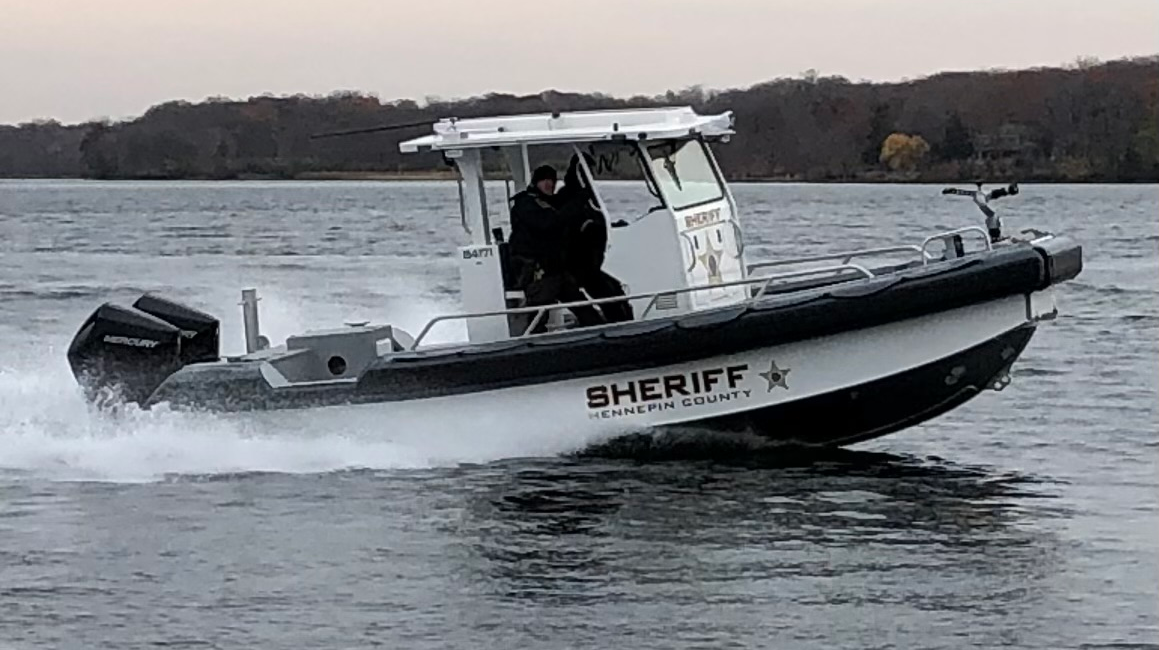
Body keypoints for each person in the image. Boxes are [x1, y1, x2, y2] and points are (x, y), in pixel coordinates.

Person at [508, 165, 604, 329]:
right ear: (536, 182)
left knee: (581, 306)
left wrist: (580, 185)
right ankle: (532, 340)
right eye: (544, 180)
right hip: (535, 271)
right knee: (541, 309)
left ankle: (598, 328)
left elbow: (565, 198)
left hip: (554, 269)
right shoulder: (526, 204)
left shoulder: (550, 202)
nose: (549, 184)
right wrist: (576, 203)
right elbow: (548, 223)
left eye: (552, 180)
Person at [554, 154, 634, 323]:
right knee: (603, 289)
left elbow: (596, 218)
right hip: (575, 262)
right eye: (586, 170)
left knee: (614, 287)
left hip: (590, 260)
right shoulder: (570, 196)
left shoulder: (588, 195)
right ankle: (617, 323)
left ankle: (624, 320)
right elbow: (563, 224)